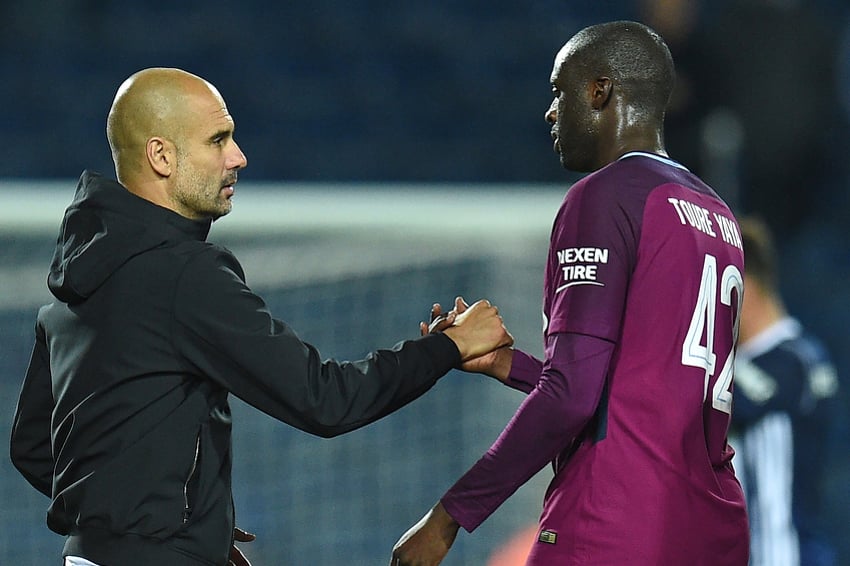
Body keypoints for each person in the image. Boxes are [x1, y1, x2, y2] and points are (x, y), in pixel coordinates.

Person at [8, 67, 513, 566]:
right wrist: (449, 346)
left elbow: (34, 444)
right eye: (218, 139)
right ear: (161, 155)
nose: (238, 157)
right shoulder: (184, 274)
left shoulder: (78, 276)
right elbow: (325, 400)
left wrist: (169, 523)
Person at [391, 21, 749, 565]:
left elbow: (573, 395)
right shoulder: (717, 215)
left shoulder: (603, 197)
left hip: (616, 522)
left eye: (559, 91)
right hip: (711, 528)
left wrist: (448, 517)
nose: (550, 112)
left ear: (600, 91)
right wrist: (510, 365)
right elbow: (639, 392)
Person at [732, 217, 843, 566]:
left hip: (778, 555)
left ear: (742, 287)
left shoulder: (780, 367)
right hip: (809, 547)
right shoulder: (808, 355)